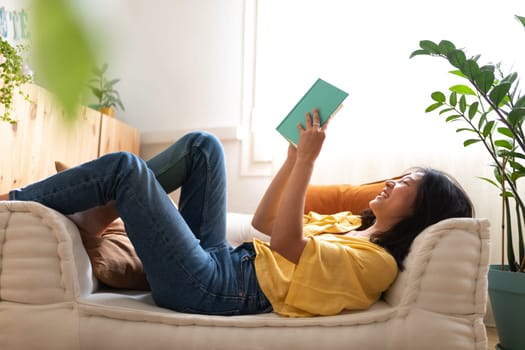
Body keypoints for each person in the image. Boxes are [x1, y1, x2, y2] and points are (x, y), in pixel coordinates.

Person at [0, 109, 473, 317]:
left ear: (422, 211)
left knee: (126, 168)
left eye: (407, 184)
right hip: (225, 262)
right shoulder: (349, 226)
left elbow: (287, 246)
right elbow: (268, 225)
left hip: (214, 290)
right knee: (204, 146)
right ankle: (96, 217)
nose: (393, 182)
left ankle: (14, 207)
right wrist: (291, 159)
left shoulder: (376, 263)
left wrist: (308, 162)